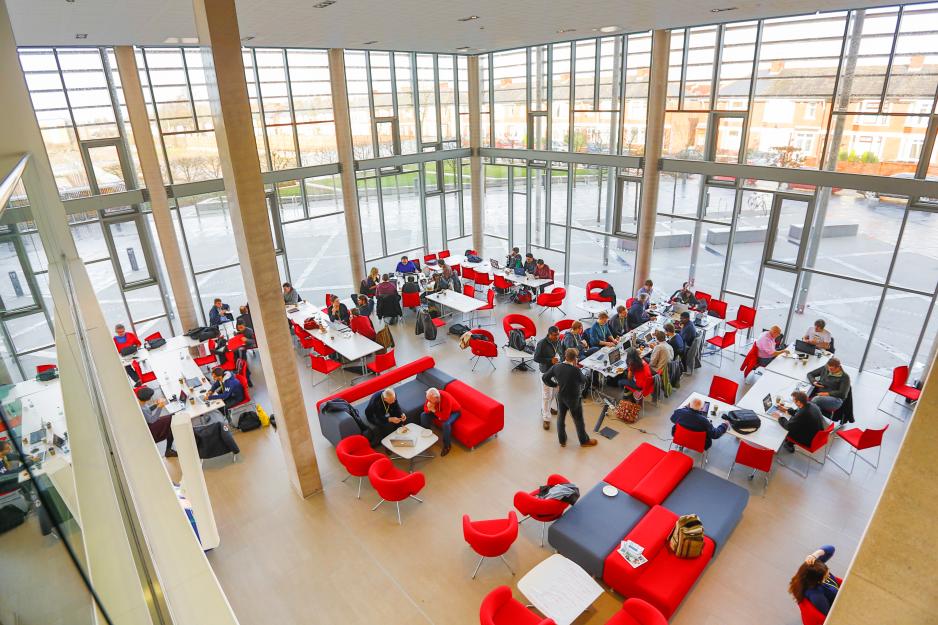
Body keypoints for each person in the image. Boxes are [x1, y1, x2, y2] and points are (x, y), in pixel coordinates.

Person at [542, 348, 597, 448]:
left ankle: (562, 440)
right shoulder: (575, 370)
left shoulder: (556, 367)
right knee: (578, 420)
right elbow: (584, 381)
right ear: (575, 359)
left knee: (560, 418)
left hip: (561, 396)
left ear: (565, 356)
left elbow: (545, 377)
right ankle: (584, 441)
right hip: (573, 399)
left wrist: (555, 385)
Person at [789, 546, 840, 617]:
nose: (829, 575)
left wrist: (815, 555)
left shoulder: (816, 569)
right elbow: (829, 615)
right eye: (825, 576)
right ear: (817, 580)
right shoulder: (816, 595)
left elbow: (831, 549)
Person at [533, 326, 562, 430]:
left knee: (554, 393)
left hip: (556, 371)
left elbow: (560, 352)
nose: (557, 337)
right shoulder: (542, 343)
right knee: (546, 395)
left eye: (558, 334)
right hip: (546, 373)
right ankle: (546, 418)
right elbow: (536, 358)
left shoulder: (558, 341)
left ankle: (547, 408)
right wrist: (550, 360)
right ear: (549, 334)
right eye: (555, 335)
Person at [136, 386, 176, 457]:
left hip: (150, 424)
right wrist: (159, 407)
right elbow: (152, 420)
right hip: (150, 428)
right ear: (148, 398)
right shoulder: (141, 409)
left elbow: (148, 409)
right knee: (170, 420)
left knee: (171, 419)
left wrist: (156, 404)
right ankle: (168, 450)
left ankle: (168, 450)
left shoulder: (140, 402)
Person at [420, 387, 460, 456]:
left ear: (437, 398)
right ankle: (427, 435)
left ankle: (447, 446)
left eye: (430, 400)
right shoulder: (430, 396)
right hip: (439, 411)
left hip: (453, 412)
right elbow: (425, 409)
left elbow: (445, 417)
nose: (428, 401)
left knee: (446, 424)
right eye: (428, 399)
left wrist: (434, 410)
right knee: (423, 415)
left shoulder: (446, 399)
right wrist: (429, 409)